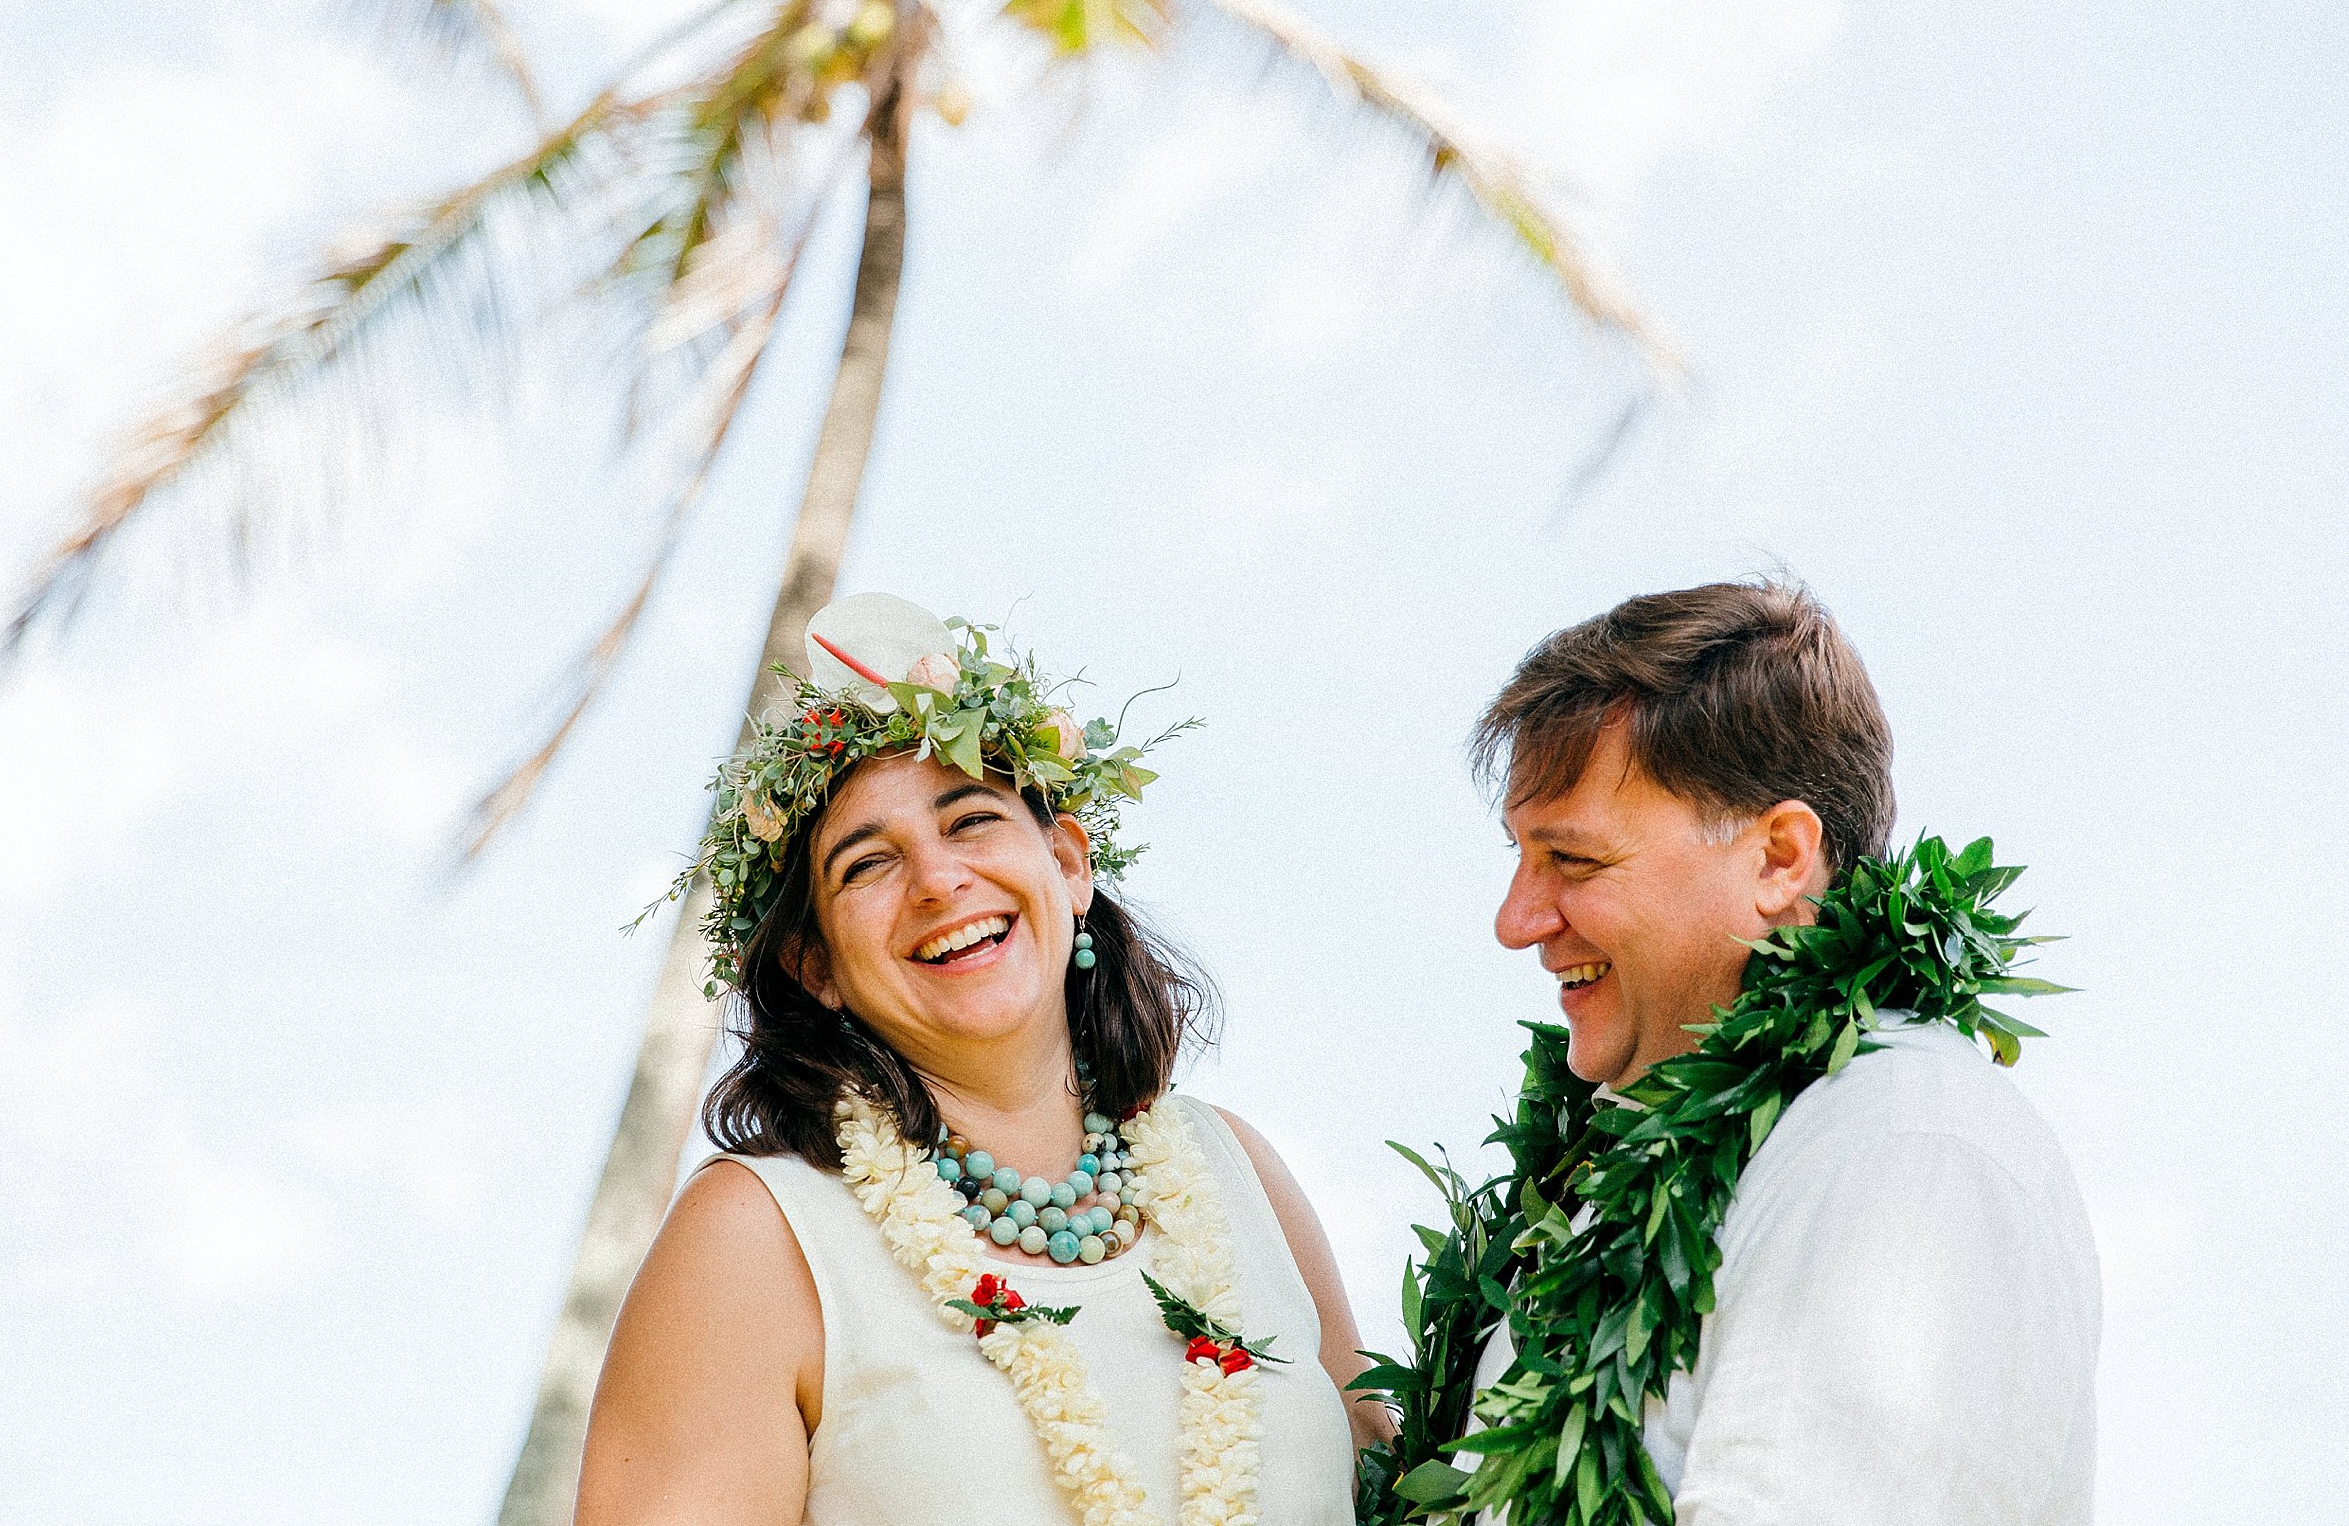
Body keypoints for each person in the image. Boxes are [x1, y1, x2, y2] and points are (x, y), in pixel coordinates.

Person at [576, 594, 1382, 1526]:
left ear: (1069, 864)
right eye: (866, 864)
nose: (937, 879)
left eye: (969, 821)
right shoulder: (757, 1240)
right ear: (816, 964)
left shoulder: (1237, 1172)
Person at [1459, 580, 2100, 1523]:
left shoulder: (1901, 1145)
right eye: (1519, 856)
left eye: (1576, 860)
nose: (1517, 921)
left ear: (1778, 858)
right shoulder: (1608, 1205)